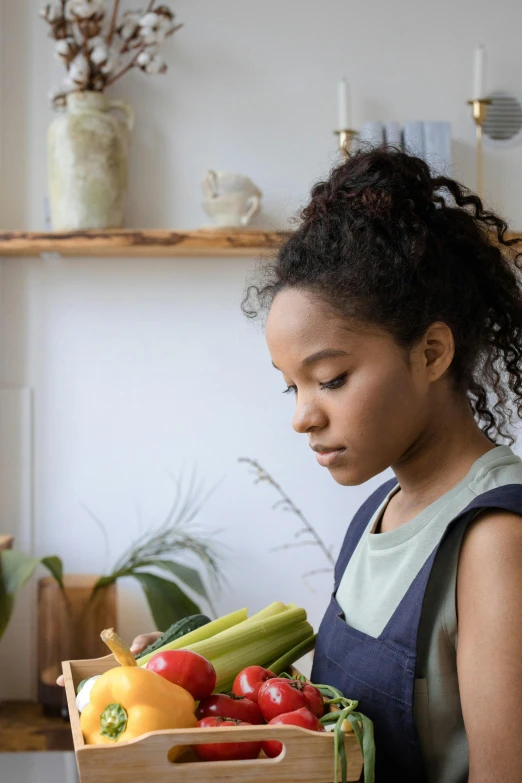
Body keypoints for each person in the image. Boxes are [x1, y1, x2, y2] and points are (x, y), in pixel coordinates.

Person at [75, 149, 522, 783]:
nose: (302, 418)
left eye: (331, 379)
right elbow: (336, 721)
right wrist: (186, 689)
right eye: (292, 387)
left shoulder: (496, 537)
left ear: (431, 352)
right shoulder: (381, 511)